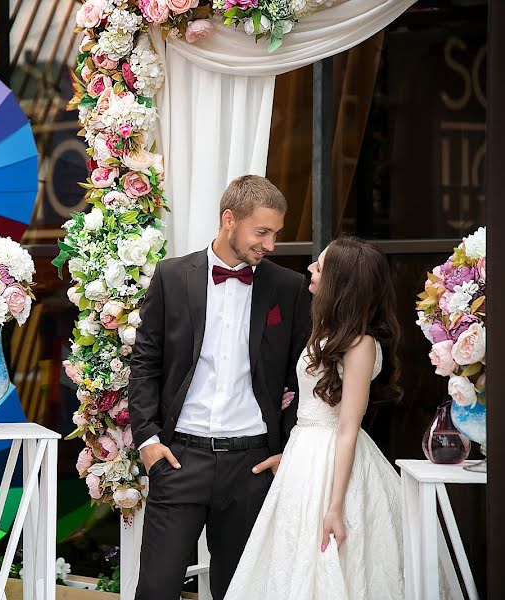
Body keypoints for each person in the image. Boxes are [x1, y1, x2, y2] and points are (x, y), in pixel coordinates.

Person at [128, 175, 312, 600]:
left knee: (241, 592)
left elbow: (299, 374)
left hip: (250, 466)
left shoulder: (287, 287)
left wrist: (285, 448)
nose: (269, 244)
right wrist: (149, 440)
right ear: (229, 219)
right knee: (156, 588)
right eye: (261, 232)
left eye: (275, 234)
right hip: (179, 459)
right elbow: (145, 363)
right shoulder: (172, 276)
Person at [225, 237, 406, 599]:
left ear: (340, 282)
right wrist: (290, 453)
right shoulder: (327, 331)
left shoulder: (360, 343)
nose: (310, 269)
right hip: (303, 458)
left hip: (332, 461)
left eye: (319, 266)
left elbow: (347, 427)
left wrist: (335, 505)